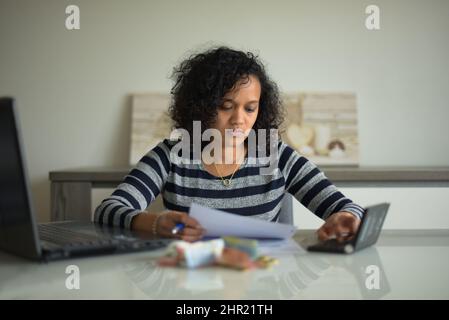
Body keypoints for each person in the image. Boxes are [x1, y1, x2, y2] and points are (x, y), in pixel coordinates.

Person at [94, 46, 364, 243]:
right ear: (199, 107)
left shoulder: (275, 155)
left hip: (262, 285)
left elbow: (349, 208)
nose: (239, 120)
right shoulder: (172, 155)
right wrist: (155, 223)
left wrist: (347, 220)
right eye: (225, 106)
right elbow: (108, 210)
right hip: (190, 286)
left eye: (250, 108)